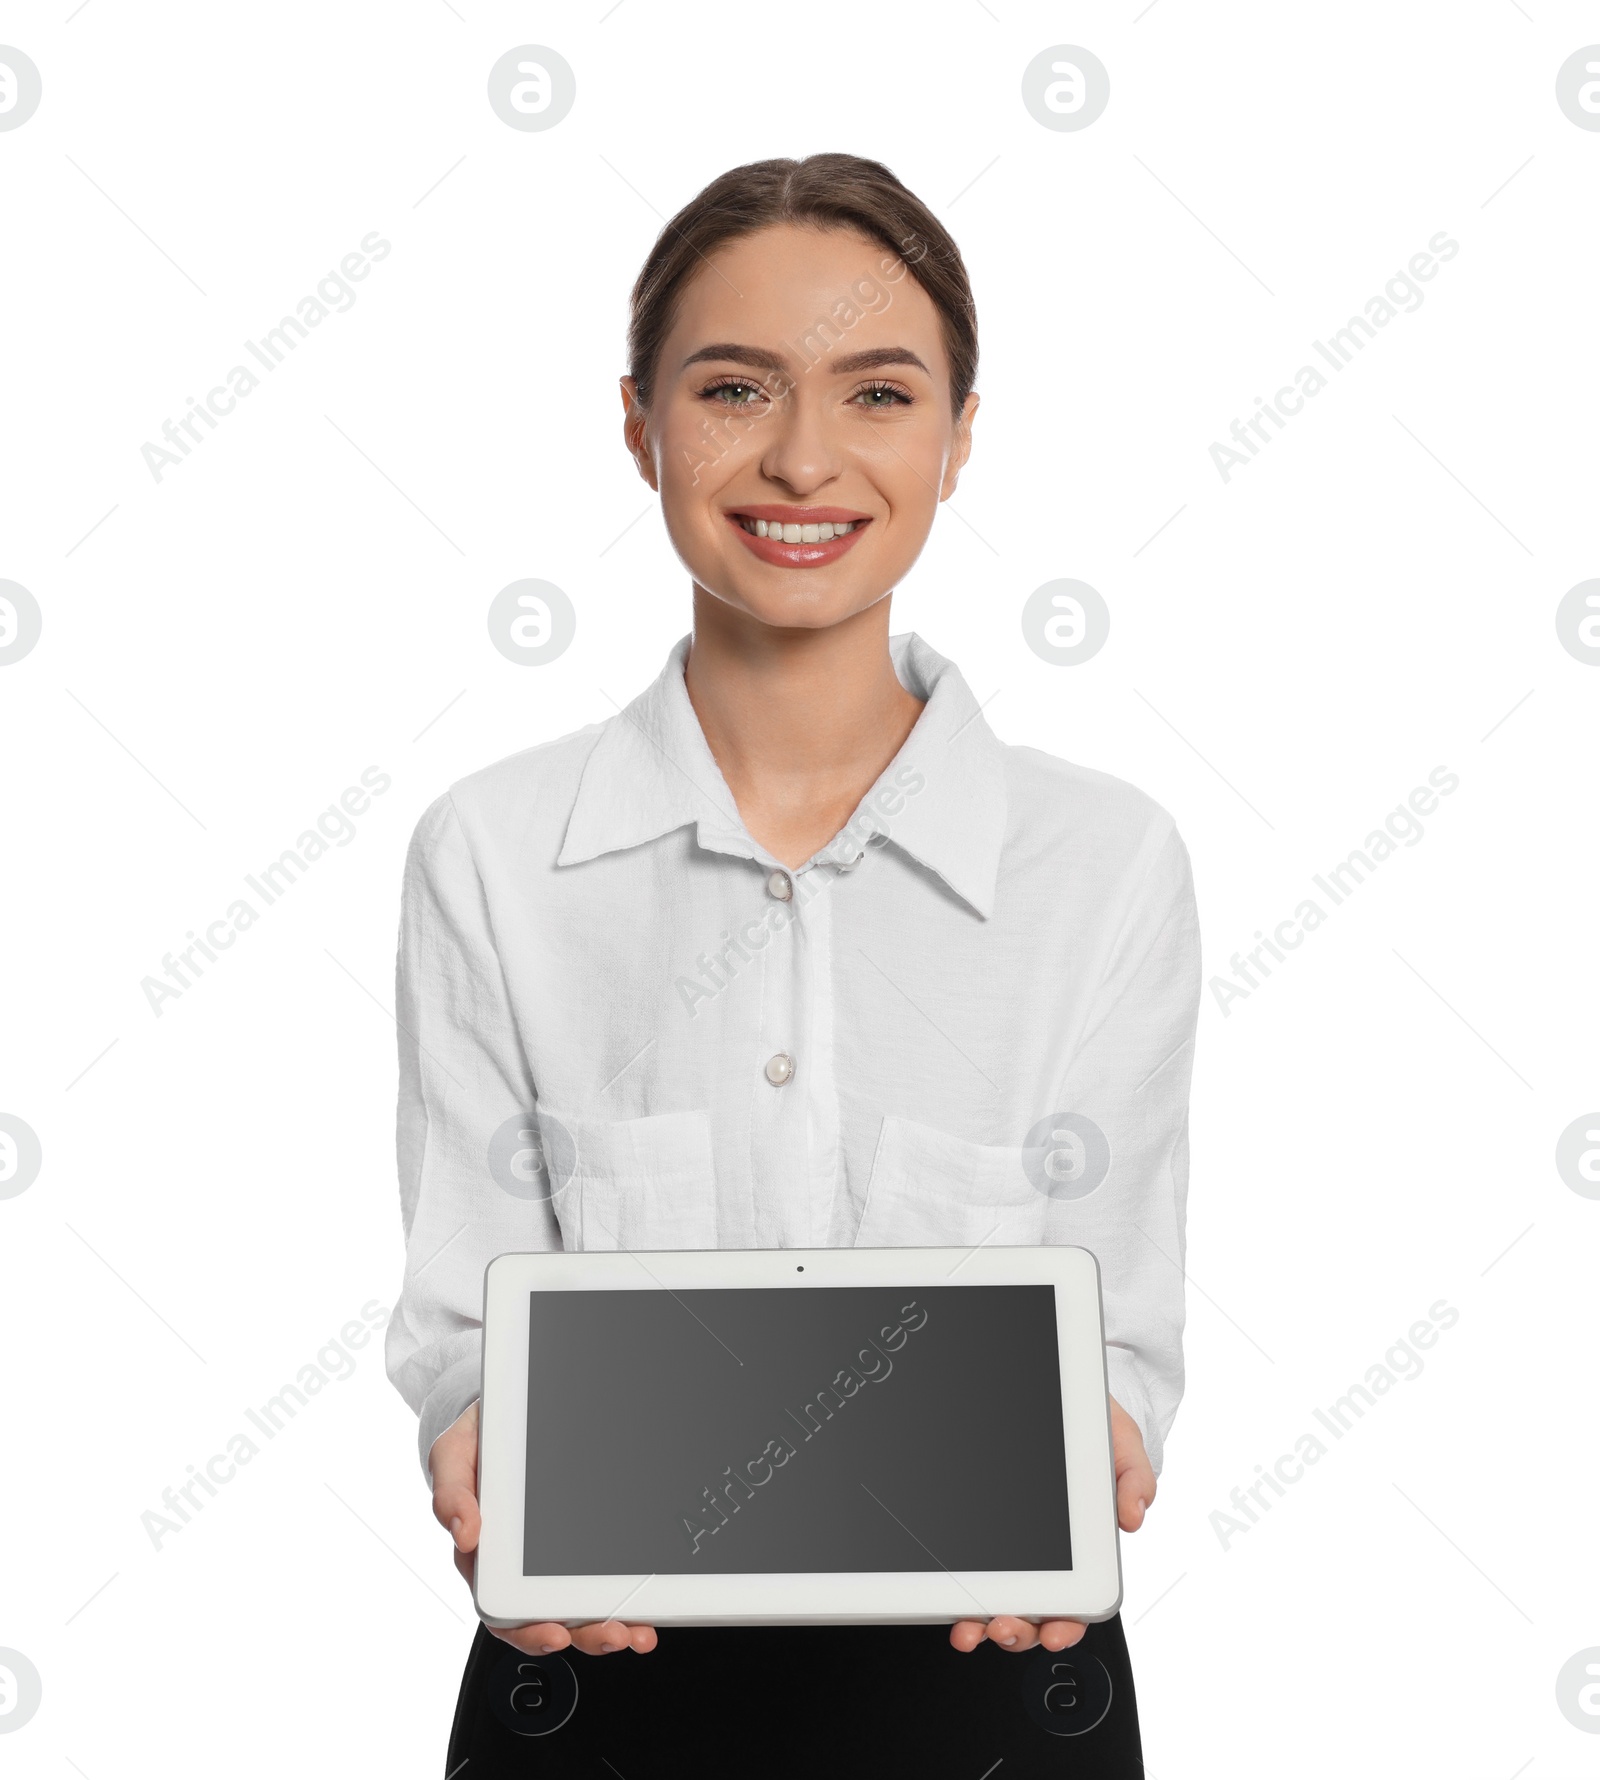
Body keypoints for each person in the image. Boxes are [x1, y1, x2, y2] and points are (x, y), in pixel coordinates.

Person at [385, 152, 1201, 1775]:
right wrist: (480, 1441)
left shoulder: (1102, 864)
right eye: (735, 387)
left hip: (994, 1694)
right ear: (640, 424)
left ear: (961, 436)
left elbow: (1114, 1325)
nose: (805, 458)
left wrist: (1101, 1437)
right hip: (594, 1694)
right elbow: (470, 1310)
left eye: (880, 393)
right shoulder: (492, 849)